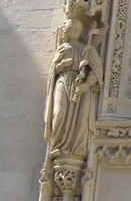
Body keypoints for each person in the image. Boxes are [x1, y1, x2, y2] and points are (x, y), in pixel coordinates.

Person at [44, 18, 103, 160]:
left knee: (82, 117)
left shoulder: (87, 49)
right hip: (63, 81)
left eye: (78, 29)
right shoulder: (62, 49)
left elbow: (96, 73)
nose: (76, 31)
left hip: (81, 87)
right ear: (66, 31)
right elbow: (53, 71)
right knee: (59, 112)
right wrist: (61, 66)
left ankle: (76, 149)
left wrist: (85, 85)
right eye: (73, 28)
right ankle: (57, 146)